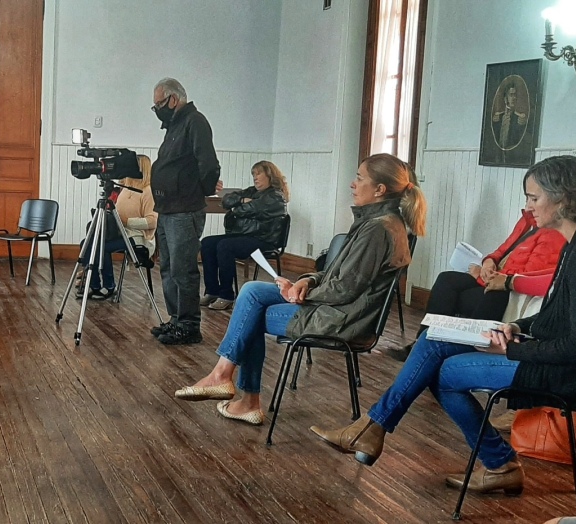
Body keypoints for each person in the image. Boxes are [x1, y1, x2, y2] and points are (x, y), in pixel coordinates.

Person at [310, 156, 576, 499]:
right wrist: (514, 325)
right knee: (435, 343)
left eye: (534, 198)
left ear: (564, 198)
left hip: (569, 374)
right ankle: (376, 429)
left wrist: (511, 347)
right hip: (547, 356)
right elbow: (559, 315)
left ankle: (493, 462)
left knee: (441, 373)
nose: (527, 207)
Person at [175, 153, 427, 425]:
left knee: (251, 314)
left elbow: (345, 289)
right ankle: (225, 379)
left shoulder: (378, 230)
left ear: (380, 189)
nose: (353, 184)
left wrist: (298, 293)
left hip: (341, 319)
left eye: (359, 178)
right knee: (251, 291)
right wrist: (306, 281)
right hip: (334, 306)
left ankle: (238, 392)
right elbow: (336, 275)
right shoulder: (376, 222)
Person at [387, 203, 566, 362]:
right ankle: (422, 342)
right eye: (527, 198)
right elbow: (503, 250)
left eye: (534, 199)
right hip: (496, 277)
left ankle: (458, 350)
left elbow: (529, 273)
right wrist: (489, 261)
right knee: (446, 279)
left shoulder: (555, 233)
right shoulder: (527, 221)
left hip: (509, 290)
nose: (527, 206)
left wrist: (481, 276)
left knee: (484, 295)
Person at [148, 78, 221, 345]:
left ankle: (189, 325)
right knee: (168, 267)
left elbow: (209, 163)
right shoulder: (174, 126)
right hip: (168, 209)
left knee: (183, 269)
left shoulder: (195, 121)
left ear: (173, 99)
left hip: (184, 209)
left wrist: (199, 190)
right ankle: (176, 319)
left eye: (159, 103)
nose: (157, 109)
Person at [200, 160, 289, 311]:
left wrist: (236, 209)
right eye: (253, 174)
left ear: (269, 174)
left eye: (259, 173)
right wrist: (241, 200)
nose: (255, 177)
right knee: (207, 243)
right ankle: (212, 291)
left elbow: (251, 209)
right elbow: (227, 199)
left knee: (225, 246)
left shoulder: (276, 196)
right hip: (244, 235)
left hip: (263, 239)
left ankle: (227, 295)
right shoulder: (252, 191)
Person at [76, 154, 158, 300]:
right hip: (119, 232)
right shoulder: (125, 188)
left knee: (101, 247)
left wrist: (126, 222)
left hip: (137, 237)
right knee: (87, 244)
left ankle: (109, 286)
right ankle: (94, 285)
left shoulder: (148, 191)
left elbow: (152, 221)